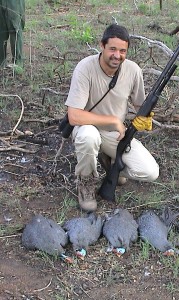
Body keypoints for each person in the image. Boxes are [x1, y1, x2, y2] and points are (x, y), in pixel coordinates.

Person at [65, 24, 159, 212]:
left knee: (150, 172)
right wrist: (114, 121)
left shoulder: (133, 70)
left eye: (122, 50)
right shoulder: (85, 68)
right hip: (86, 127)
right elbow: (74, 115)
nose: (117, 55)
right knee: (89, 137)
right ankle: (86, 185)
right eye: (113, 49)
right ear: (102, 46)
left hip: (114, 135)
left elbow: (141, 105)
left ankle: (111, 163)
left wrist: (146, 118)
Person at [0, 0, 25, 68]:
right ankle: (1, 62)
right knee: (1, 31)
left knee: (15, 29)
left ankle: (18, 62)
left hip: (14, 3)